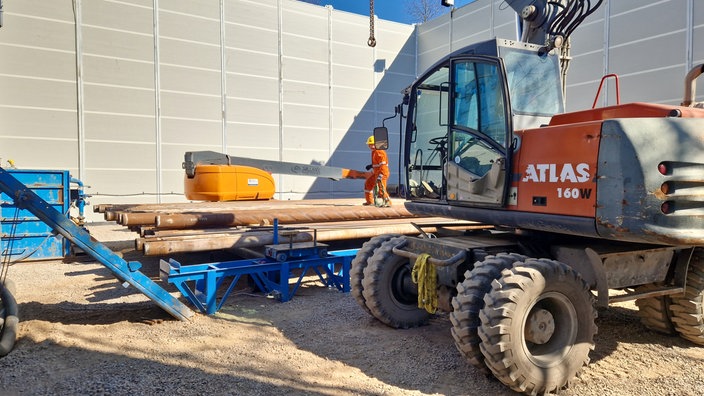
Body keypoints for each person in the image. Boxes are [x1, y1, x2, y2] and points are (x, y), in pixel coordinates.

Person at [363, 135, 391, 206]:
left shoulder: (380, 152)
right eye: (370, 145)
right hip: (376, 172)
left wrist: (381, 175)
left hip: (382, 173)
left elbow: (383, 165)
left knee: (381, 189)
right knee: (368, 184)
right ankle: (369, 201)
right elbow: (377, 164)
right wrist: (371, 166)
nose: (371, 146)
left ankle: (388, 202)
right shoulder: (374, 152)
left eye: (373, 144)